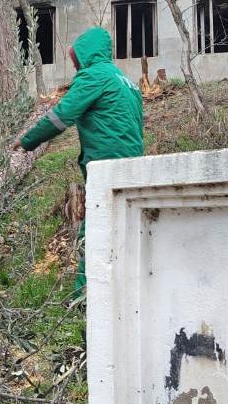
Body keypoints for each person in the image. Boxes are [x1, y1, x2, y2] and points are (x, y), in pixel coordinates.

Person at [13, 27, 144, 294]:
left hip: (106, 165)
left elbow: (62, 115)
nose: (75, 65)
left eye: (76, 58)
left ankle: (85, 296)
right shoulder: (125, 81)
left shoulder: (94, 76)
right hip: (132, 164)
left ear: (86, 54)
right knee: (122, 228)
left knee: (95, 230)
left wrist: (27, 142)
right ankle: (122, 289)